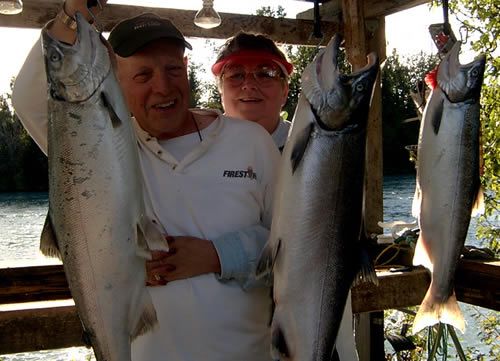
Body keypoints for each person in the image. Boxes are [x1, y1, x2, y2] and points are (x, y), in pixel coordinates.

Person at [12, 2, 280, 361]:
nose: (163, 87)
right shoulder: (98, 146)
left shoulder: (251, 142)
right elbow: (29, 101)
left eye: (172, 69)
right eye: (142, 76)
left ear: (187, 69)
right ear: (115, 81)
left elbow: (292, 245)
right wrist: (69, 15)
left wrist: (218, 255)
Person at [212, 31, 360, 361]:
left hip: (318, 337)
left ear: (286, 89)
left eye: (265, 72)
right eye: (235, 74)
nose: (249, 84)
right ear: (219, 89)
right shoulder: (195, 155)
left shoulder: (325, 151)